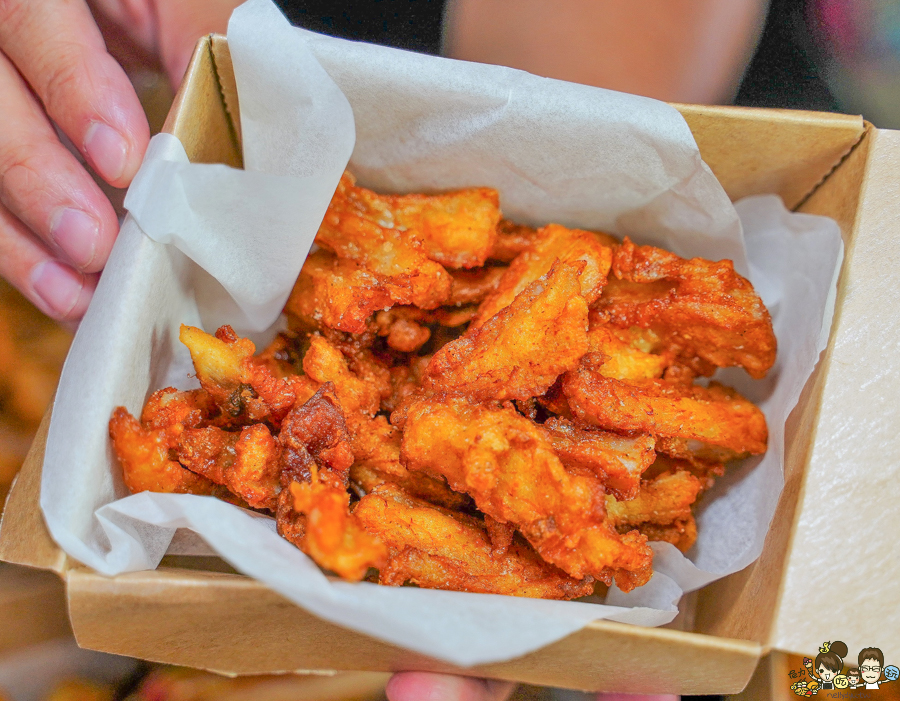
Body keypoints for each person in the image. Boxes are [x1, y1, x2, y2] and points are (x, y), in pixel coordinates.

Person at [0, 1, 766, 699]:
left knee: (469, 384)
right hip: (209, 103)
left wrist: (571, 121)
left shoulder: (520, 355)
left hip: (634, 67)